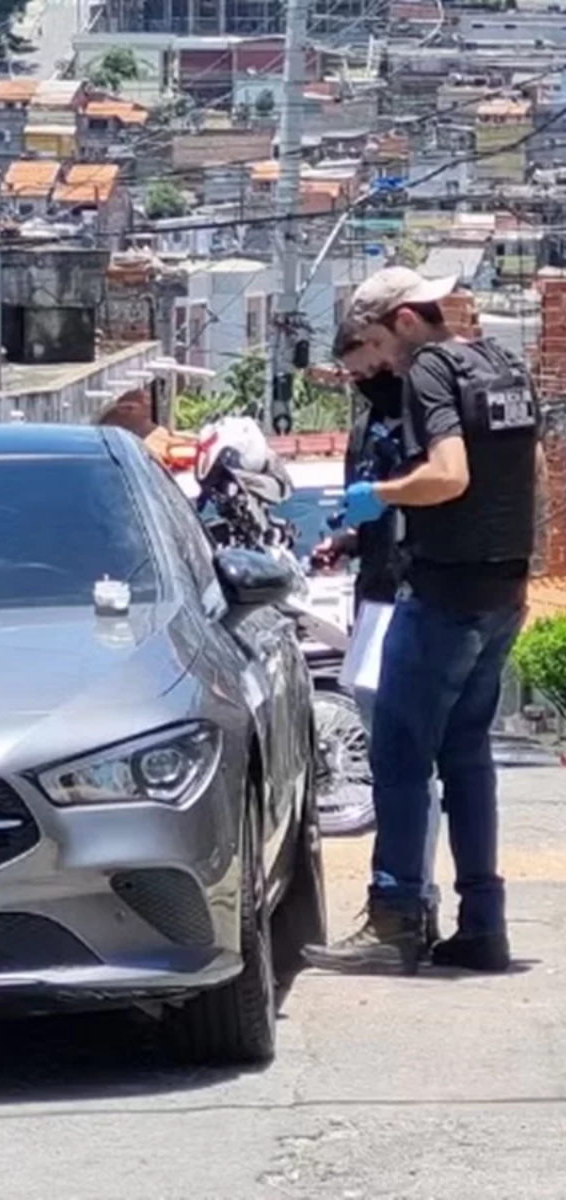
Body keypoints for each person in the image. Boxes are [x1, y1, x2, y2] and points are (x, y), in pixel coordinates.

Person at [306, 267, 543, 975]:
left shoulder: (429, 372)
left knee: (401, 760)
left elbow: (449, 474)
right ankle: (482, 927)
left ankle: (395, 920)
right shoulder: (500, 364)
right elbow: (532, 468)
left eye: (378, 343)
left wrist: (376, 495)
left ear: (406, 321)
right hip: (501, 590)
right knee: (467, 763)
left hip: (440, 593)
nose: (379, 365)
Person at [308, 323, 442, 958]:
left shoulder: (421, 410)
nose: (365, 382)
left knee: (405, 760)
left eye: (369, 367)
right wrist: (346, 539)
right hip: (376, 593)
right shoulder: (368, 424)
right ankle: (406, 903)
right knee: (387, 749)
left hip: (413, 595)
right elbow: (375, 513)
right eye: (355, 375)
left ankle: (406, 905)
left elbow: (430, 497)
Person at [94, 388, 198, 472]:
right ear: (125, 410)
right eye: (145, 403)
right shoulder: (140, 443)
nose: (149, 404)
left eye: (148, 401)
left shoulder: (152, 430)